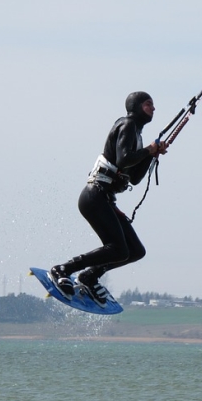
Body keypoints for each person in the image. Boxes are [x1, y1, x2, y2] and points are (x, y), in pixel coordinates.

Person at [50, 91, 168, 307]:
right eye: (149, 104)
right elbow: (123, 160)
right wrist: (148, 150)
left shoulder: (137, 135)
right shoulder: (127, 124)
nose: (153, 108)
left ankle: (89, 276)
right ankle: (63, 269)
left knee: (135, 251)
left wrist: (152, 155)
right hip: (94, 196)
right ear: (136, 106)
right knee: (119, 249)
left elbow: (135, 177)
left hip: (105, 200)